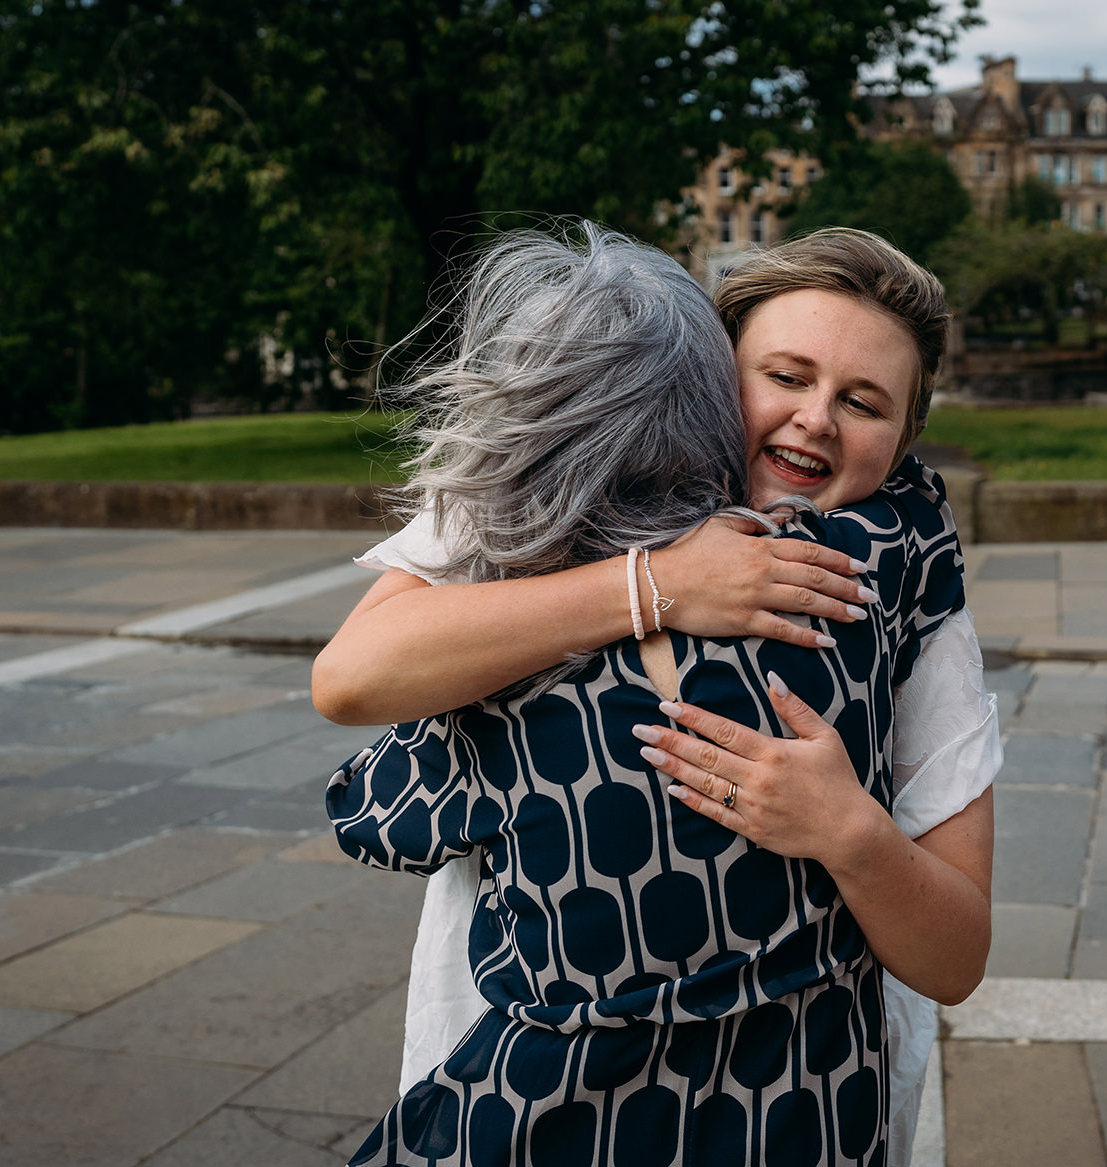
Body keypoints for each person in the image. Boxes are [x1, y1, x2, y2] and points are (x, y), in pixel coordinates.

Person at [314, 226, 997, 1164]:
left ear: (905, 435)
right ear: (715, 372)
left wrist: (850, 830)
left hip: (793, 1110)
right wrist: (657, 583)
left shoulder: (907, 590)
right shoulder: (554, 468)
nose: (816, 420)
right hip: (536, 1090)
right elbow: (353, 676)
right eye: (787, 376)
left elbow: (954, 961)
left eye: (864, 401)